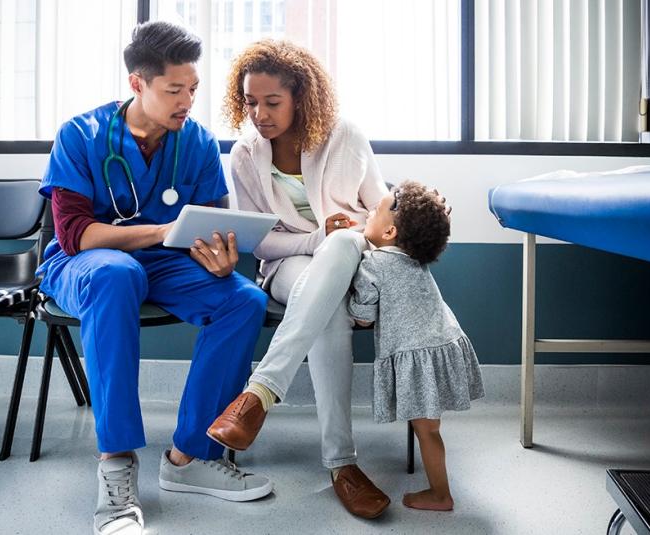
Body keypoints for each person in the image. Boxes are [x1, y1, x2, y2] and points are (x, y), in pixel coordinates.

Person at [36, 21, 273, 535]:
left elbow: (210, 224)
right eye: (174, 90)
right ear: (137, 83)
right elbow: (75, 234)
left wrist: (219, 257)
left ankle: (191, 457)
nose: (187, 101)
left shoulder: (197, 142)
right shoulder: (81, 135)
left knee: (244, 301)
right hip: (85, 264)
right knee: (116, 274)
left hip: (165, 263)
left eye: (193, 89)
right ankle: (117, 463)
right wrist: (161, 231)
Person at [205, 39, 392, 519]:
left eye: (272, 102)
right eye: (250, 102)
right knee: (328, 304)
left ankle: (259, 393)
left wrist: (344, 235)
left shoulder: (345, 136)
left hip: (353, 260)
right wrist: (315, 239)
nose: (259, 114)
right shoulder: (244, 155)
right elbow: (261, 242)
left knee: (343, 245)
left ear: (300, 97)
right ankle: (342, 464)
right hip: (287, 264)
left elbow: (380, 211)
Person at [349, 181, 484, 511]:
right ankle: (440, 491)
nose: (369, 213)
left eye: (375, 211)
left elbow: (362, 318)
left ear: (390, 231)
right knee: (430, 429)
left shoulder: (374, 264)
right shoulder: (414, 258)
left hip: (418, 354)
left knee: (427, 432)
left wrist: (348, 299)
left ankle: (440, 495)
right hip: (442, 344)